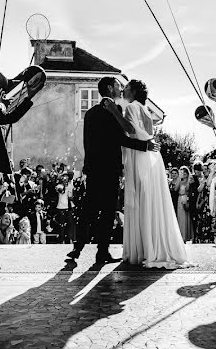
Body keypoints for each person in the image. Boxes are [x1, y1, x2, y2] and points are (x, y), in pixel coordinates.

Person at [67, 77, 160, 263]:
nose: (120, 88)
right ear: (110, 88)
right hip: (109, 168)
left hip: (93, 168)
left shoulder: (91, 113)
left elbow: (87, 142)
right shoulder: (114, 110)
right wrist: (144, 147)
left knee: (89, 209)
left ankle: (77, 248)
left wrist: (88, 165)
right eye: (118, 86)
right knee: (108, 211)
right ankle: (102, 252)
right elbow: (121, 139)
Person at [103, 79, 193, 268]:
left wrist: (113, 111)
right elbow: (147, 133)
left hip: (139, 156)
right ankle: (153, 246)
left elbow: (129, 130)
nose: (124, 90)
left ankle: (144, 250)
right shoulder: (145, 110)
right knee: (152, 200)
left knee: (141, 200)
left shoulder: (131, 108)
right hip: (152, 157)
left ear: (133, 92)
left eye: (126, 87)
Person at [175, 166, 193, 242]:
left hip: (186, 199)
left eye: (184, 173)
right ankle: (180, 236)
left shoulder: (190, 181)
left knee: (187, 218)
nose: (183, 174)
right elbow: (176, 189)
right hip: (180, 199)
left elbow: (189, 190)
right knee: (180, 218)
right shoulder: (180, 181)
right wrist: (179, 178)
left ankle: (186, 236)